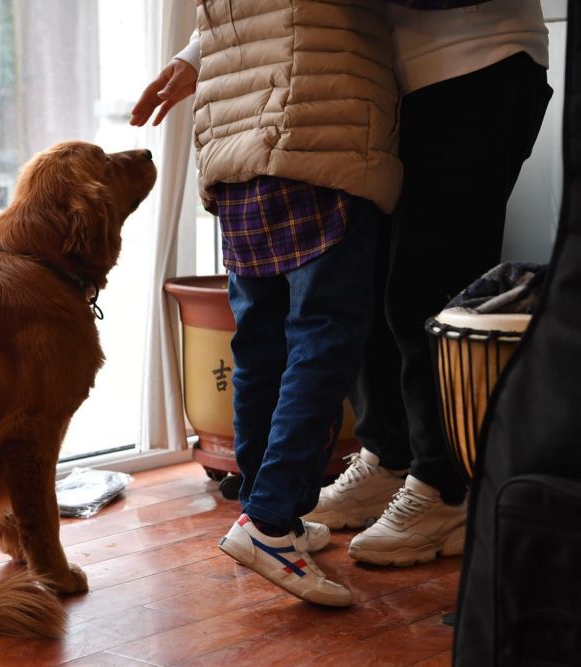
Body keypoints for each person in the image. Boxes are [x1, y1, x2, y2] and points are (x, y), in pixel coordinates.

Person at [131, 1, 401, 606]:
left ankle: (265, 506)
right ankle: (270, 524)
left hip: (234, 145)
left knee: (261, 343)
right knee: (323, 340)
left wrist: (187, 58)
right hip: (318, 131)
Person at [306, 0, 552, 567]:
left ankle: (446, 487)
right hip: (384, 83)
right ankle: (389, 455)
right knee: (365, 284)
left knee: (425, 292)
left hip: (477, 66)